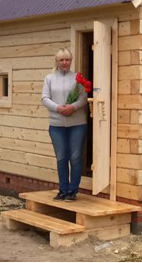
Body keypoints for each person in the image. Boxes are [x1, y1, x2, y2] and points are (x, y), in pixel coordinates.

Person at [41, 48, 88, 201]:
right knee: (61, 157)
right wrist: (58, 108)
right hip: (56, 125)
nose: (64, 62)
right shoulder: (49, 78)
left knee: (75, 157)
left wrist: (72, 107)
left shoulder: (77, 78)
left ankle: (72, 191)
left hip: (77, 124)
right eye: (61, 60)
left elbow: (83, 97)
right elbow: (44, 98)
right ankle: (63, 190)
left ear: (71, 60)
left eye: (67, 59)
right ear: (57, 61)